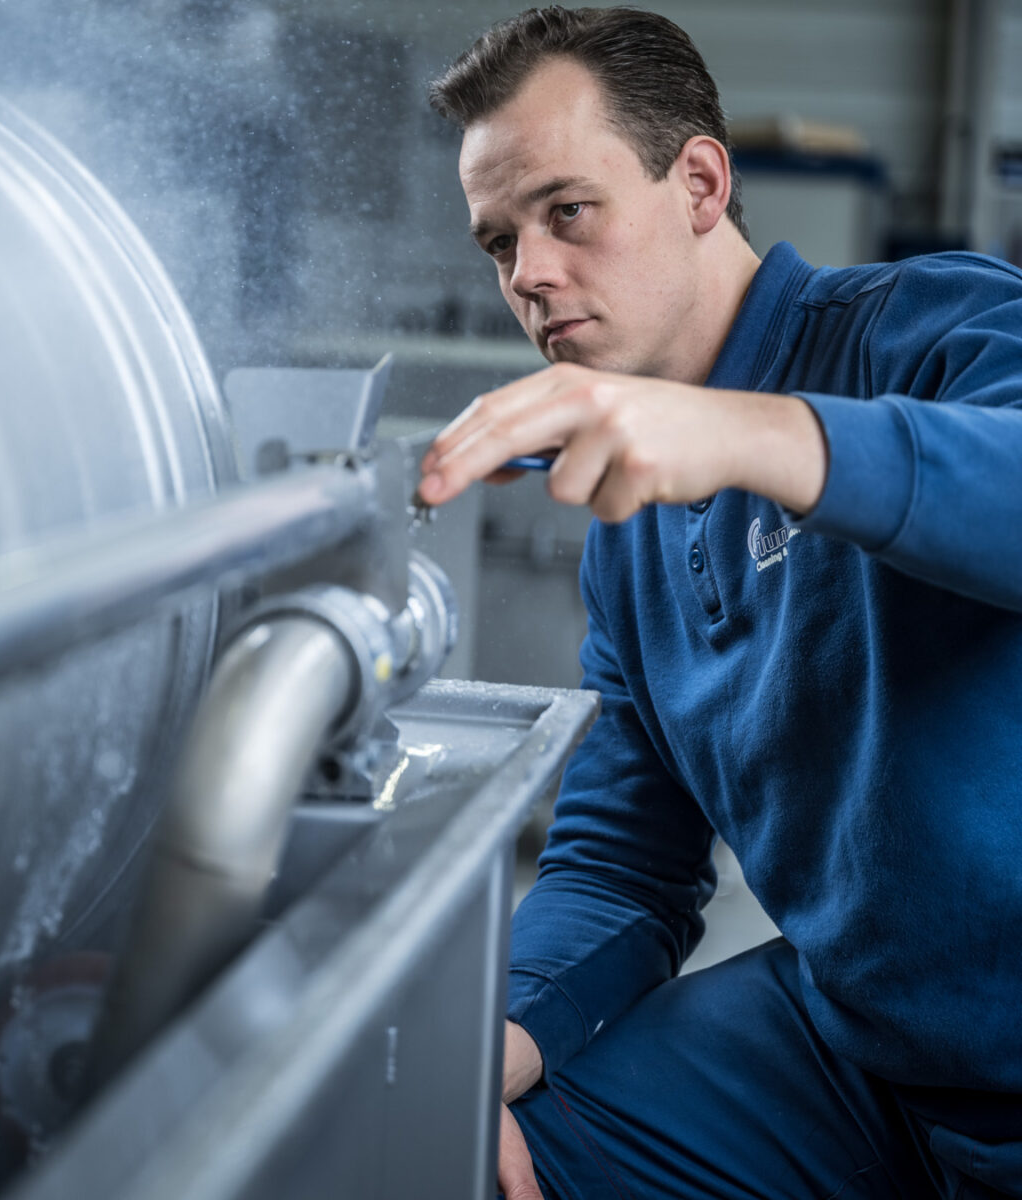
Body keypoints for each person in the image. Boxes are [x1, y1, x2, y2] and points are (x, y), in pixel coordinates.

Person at [418, 7, 1022, 1199]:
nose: (528, 273)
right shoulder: (630, 532)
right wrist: (487, 1051)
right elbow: (619, 863)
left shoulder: (925, 333)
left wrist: (748, 432)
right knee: (458, 1151)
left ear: (697, 182)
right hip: (851, 1043)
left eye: (565, 212)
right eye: (499, 242)